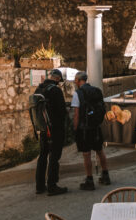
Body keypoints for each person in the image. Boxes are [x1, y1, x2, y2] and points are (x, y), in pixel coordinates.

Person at [72, 71, 111, 189]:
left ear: (79, 81)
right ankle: (106, 175)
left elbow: (76, 115)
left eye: (75, 80)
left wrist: (75, 129)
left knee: (86, 154)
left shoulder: (77, 93)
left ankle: (89, 180)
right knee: (100, 150)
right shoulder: (96, 90)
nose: (75, 82)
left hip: (84, 128)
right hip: (96, 126)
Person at [34, 68, 68, 196]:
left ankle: (39, 186)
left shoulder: (39, 90)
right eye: (59, 80)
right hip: (55, 129)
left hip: (43, 129)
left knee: (42, 156)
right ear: (58, 79)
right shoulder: (55, 90)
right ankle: (52, 186)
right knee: (54, 157)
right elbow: (62, 111)